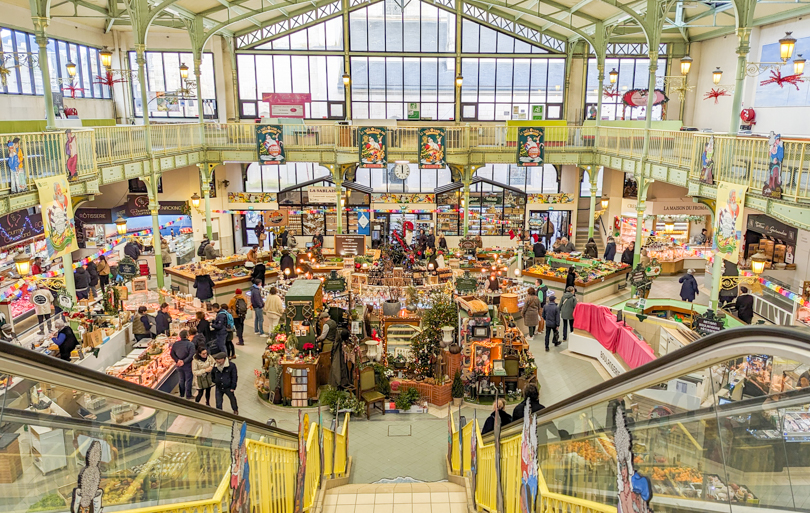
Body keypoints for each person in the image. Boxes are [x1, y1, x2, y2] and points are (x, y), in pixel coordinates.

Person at [170, 329, 195, 399]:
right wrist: (184, 361)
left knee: (181, 379)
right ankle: (188, 395)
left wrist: (177, 360)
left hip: (179, 365)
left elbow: (172, 353)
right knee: (188, 380)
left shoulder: (175, 344)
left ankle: (181, 394)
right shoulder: (190, 344)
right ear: (187, 336)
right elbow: (192, 354)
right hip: (188, 365)